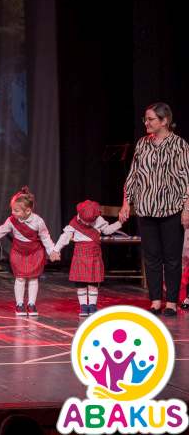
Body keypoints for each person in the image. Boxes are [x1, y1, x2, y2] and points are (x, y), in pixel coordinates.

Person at [119, 102, 189, 317]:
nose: (146, 123)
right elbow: (133, 175)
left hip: (171, 208)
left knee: (172, 258)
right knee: (151, 257)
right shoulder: (142, 144)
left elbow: (186, 179)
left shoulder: (179, 145)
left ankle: (171, 302)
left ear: (164, 121)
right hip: (146, 208)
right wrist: (126, 203)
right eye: (145, 119)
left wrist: (186, 208)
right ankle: (156, 300)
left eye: (151, 119)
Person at [0, 186, 60, 316]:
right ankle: (19, 304)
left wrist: (52, 251)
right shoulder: (11, 221)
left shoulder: (38, 221)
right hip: (19, 252)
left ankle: (31, 304)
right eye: (12, 209)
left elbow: (45, 237)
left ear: (28, 210)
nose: (13, 212)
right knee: (20, 278)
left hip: (35, 252)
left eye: (16, 210)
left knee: (33, 278)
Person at [53, 200, 124, 317]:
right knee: (80, 282)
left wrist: (119, 223)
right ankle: (83, 306)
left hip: (94, 254)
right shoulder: (74, 222)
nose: (86, 224)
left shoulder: (99, 220)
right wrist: (56, 250)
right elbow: (65, 237)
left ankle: (92, 306)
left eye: (90, 221)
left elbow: (107, 230)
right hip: (80, 254)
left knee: (93, 282)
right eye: (84, 221)